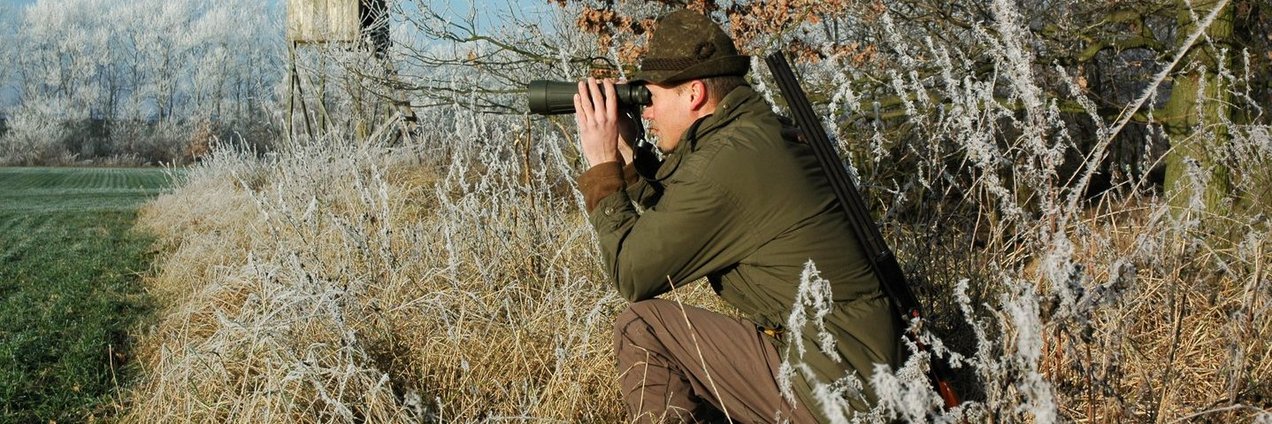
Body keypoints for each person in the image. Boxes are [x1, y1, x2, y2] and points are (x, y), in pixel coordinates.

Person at [571, 9, 900, 423]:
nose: (647, 113)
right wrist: (630, 159)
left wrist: (602, 165)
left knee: (642, 328)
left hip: (834, 389)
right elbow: (681, 215)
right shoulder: (752, 137)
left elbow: (633, 273)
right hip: (846, 365)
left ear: (693, 94)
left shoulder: (726, 162)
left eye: (650, 98)